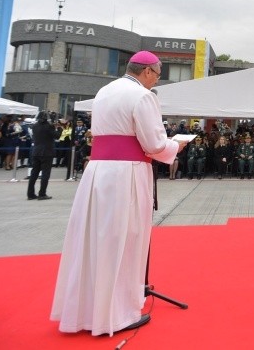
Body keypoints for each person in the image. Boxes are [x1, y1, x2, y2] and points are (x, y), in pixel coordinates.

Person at [51, 51, 185, 336]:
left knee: (95, 239)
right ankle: (118, 315)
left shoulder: (104, 91)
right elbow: (153, 143)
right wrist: (175, 146)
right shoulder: (143, 96)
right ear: (148, 71)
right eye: (158, 74)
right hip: (127, 173)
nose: (156, 80)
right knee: (125, 239)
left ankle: (86, 311)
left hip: (98, 172)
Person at [26, 111, 59, 201]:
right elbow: (57, 136)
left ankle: (30, 194)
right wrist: (58, 128)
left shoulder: (35, 126)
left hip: (36, 151)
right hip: (47, 152)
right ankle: (42, 193)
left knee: (34, 174)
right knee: (45, 173)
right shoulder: (49, 126)